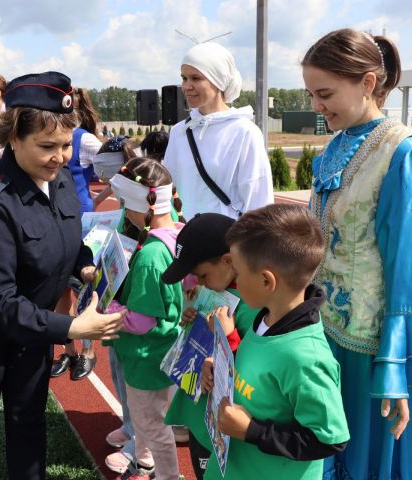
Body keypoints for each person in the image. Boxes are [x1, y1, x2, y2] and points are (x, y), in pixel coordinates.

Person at [0, 71, 124, 480]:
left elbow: (69, 237)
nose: (60, 157)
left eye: (65, 146)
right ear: (13, 139)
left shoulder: (59, 184)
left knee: (28, 418)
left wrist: (85, 266)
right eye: (46, 147)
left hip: (33, 326)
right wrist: (73, 326)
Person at [302, 28, 412, 479]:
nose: (316, 106)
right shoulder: (335, 145)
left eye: (324, 93)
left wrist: (395, 365)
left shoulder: (404, 152)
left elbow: (410, 271)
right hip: (323, 332)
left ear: (368, 83)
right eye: (310, 94)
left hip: (370, 347)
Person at [201, 204, 350, 480]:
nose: (234, 279)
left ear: (266, 281)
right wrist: (220, 365)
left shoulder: (306, 357)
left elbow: (329, 439)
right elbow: (259, 375)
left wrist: (251, 431)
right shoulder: (263, 316)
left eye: (238, 272)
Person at [160, 212, 262, 479]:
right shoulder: (219, 288)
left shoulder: (255, 305)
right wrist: (192, 319)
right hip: (201, 417)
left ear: (229, 261)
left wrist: (228, 337)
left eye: (202, 275)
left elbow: (254, 371)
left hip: (226, 424)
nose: (200, 284)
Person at [103, 157, 186, 480]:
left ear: (140, 204)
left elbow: (142, 321)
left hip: (146, 356)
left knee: (149, 423)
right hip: (166, 349)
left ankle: (167, 475)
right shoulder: (177, 231)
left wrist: (105, 312)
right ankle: (144, 461)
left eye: (124, 202)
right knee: (152, 417)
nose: (122, 210)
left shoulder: (151, 256)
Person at [163, 42, 273, 220]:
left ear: (219, 81)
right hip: (184, 240)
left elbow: (258, 201)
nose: (187, 86)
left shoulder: (244, 132)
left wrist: (244, 246)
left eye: (196, 78)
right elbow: (167, 190)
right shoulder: (179, 132)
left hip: (228, 243)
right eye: (184, 78)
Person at [50, 86, 103, 381]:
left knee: (84, 293)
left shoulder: (85, 140)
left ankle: (88, 352)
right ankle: (68, 350)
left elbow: (120, 164)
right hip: (56, 219)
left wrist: (104, 197)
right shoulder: (55, 135)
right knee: (59, 291)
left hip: (82, 222)